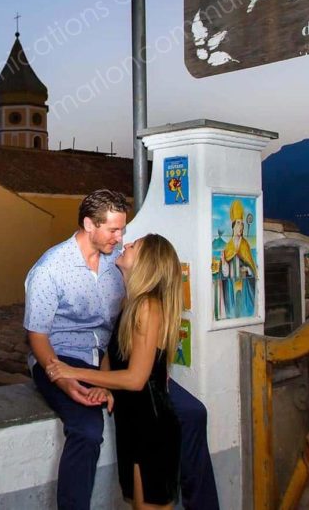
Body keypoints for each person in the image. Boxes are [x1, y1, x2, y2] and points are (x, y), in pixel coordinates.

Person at [25, 190, 220, 510]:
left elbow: (135, 335)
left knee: (193, 413)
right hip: (61, 354)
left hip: (112, 358)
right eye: (114, 230)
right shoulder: (50, 268)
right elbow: (37, 335)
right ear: (89, 225)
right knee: (87, 430)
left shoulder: (120, 266)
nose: (120, 238)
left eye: (123, 230)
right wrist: (60, 376)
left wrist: (143, 374)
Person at [45, 233, 183, 509]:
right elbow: (112, 353)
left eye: (135, 247)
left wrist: (74, 372)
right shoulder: (131, 303)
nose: (127, 245)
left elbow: (135, 379)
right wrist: (105, 386)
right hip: (132, 422)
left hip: (152, 425)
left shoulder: (148, 306)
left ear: (147, 263)